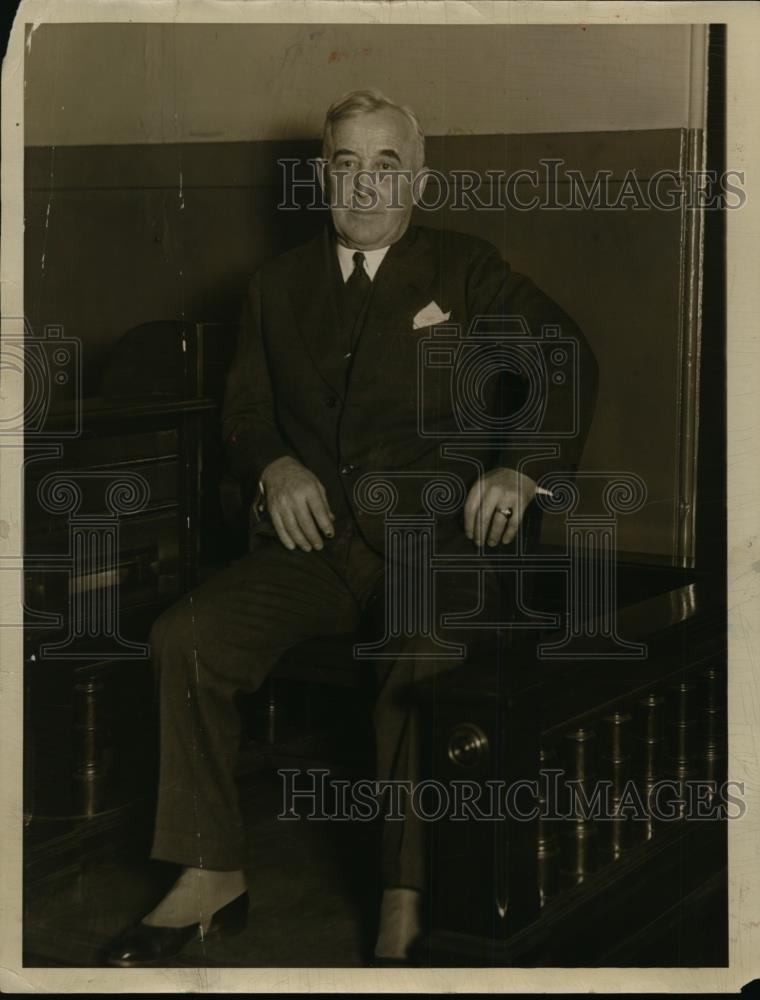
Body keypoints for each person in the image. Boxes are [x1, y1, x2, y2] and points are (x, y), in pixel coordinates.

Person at [105, 88, 597, 967]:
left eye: (386, 165)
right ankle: (208, 867)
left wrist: (520, 467)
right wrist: (271, 466)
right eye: (345, 163)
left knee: (420, 653)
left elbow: (563, 353)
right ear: (318, 175)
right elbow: (244, 414)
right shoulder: (275, 286)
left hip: (431, 544)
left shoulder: (467, 268)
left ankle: (405, 896)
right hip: (313, 549)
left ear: (418, 178)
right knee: (184, 637)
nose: (365, 187)